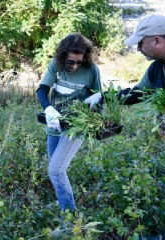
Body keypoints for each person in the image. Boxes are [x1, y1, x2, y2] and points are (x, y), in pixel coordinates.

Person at [85, 14, 165, 240]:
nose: (137, 49)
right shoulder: (157, 69)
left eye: (140, 43)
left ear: (156, 41)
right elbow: (137, 93)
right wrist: (103, 97)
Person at [36, 33, 102, 234]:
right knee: (56, 170)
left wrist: (93, 110)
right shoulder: (55, 65)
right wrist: (48, 109)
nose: (73, 66)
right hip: (55, 125)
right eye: (70, 62)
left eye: (78, 62)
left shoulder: (91, 70)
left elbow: (98, 98)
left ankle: (70, 222)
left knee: (55, 170)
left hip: (76, 127)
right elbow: (42, 90)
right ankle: (65, 206)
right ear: (62, 55)